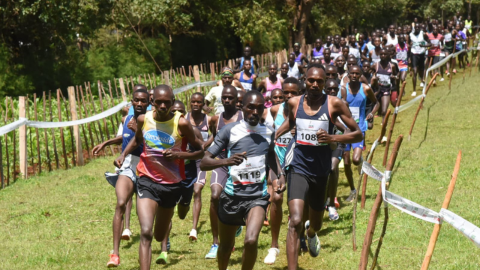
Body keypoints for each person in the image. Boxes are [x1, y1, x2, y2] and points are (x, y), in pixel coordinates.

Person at [275, 63, 363, 269]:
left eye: (319, 81)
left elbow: (357, 133)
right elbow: (291, 122)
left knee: (315, 223)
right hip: (298, 167)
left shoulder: (334, 104)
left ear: (324, 83)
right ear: (304, 80)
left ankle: (312, 234)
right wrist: (275, 134)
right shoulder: (294, 102)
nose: (315, 84)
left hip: (321, 170)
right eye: (311, 80)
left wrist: (332, 137)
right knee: (295, 220)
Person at [114, 85, 203, 270]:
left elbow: (200, 150)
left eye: (167, 102)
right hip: (147, 180)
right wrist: (123, 155)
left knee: (159, 235)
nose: (163, 106)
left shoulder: (182, 123)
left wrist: (180, 155)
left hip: (171, 185)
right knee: (145, 232)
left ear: (172, 103)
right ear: (153, 103)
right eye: (159, 102)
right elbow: (138, 140)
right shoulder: (143, 119)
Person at [200, 90, 286, 270]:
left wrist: (280, 174)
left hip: (257, 197)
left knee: (251, 240)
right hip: (231, 196)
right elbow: (204, 162)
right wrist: (227, 161)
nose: (255, 112)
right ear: (242, 107)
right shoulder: (229, 131)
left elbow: (271, 155)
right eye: (250, 107)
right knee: (225, 247)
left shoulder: (269, 132)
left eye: (259, 108)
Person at [93, 87, 149, 268]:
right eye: (136, 100)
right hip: (128, 166)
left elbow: (150, 144)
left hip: (147, 166)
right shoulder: (126, 119)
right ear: (131, 102)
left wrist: (141, 132)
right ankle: (115, 254)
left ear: (148, 102)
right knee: (120, 202)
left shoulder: (151, 120)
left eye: (143, 101)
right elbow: (124, 137)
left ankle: (156, 244)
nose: (139, 103)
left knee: (145, 215)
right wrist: (106, 143)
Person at [156, 100, 205, 265]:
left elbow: (201, 151)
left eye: (180, 111)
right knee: (166, 209)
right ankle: (164, 245)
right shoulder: (161, 130)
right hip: (167, 175)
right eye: (174, 110)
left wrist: (180, 155)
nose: (177, 114)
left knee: (183, 210)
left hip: (187, 175)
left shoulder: (192, 131)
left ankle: (184, 202)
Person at [203, 85, 244, 259]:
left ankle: (237, 224)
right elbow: (216, 138)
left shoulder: (244, 118)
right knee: (214, 196)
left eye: (230, 98)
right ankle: (215, 242)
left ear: (236, 100)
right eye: (224, 98)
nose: (227, 100)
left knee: (239, 201)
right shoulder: (214, 119)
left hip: (240, 166)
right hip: (221, 163)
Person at [263, 78, 300, 264]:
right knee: (275, 198)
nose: (289, 96)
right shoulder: (275, 110)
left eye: (294, 93)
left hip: (298, 163)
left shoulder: (304, 111)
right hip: (277, 162)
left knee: (298, 209)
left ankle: (304, 234)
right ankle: (274, 246)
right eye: (286, 93)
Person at [341, 65, 379, 203]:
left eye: (357, 73)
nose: (355, 76)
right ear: (348, 74)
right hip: (344, 130)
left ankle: (361, 163)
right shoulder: (343, 90)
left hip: (359, 128)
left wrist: (371, 114)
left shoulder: (365, 89)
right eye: (352, 73)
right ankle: (352, 190)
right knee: (346, 162)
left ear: (361, 75)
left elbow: (376, 103)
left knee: (355, 159)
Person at [185, 93, 211, 242]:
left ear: (203, 104)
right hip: (187, 160)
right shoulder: (184, 119)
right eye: (193, 101)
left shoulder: (209, 119)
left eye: (199, 102)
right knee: (186, 193)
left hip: (201, 160)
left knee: (197, 190)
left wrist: (206, 147)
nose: (195, 104)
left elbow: (217, 134)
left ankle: (194, 228)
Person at [324, 79, 344, 220]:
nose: (332, 91)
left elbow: (347, 126)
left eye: (335, 89)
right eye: (329, 89)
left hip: (338, 142)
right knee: (325, 173)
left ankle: (331, 204)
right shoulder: (319, 104)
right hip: (323, 144)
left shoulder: (342, 105)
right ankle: (325, 199)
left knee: (332, 168)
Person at [372, 48, 398, 124]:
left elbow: (395, 76)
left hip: (386, 89)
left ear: (388, 55)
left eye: (385, 54)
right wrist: (374, 78)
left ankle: (384, 124)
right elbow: (371, 74)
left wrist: (394, 77)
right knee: (374, 108)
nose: (383, 56)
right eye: (381, 54)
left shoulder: (392, 66)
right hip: (377, 90)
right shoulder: (375, 65)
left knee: (384, 110)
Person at [409, 23, 429, 96]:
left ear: (420, 28)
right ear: (413, 28)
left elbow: (430, 44)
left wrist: (423, 45)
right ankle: (414, 90)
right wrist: (409, 57)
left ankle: (421, 79)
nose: (417, 28)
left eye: (418, 27)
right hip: (414, 54)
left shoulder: (423, 34)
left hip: (421, 54)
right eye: (416, 27)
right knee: (415, 71)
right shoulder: (410, 35)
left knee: (421, 71)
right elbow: (408, 45)